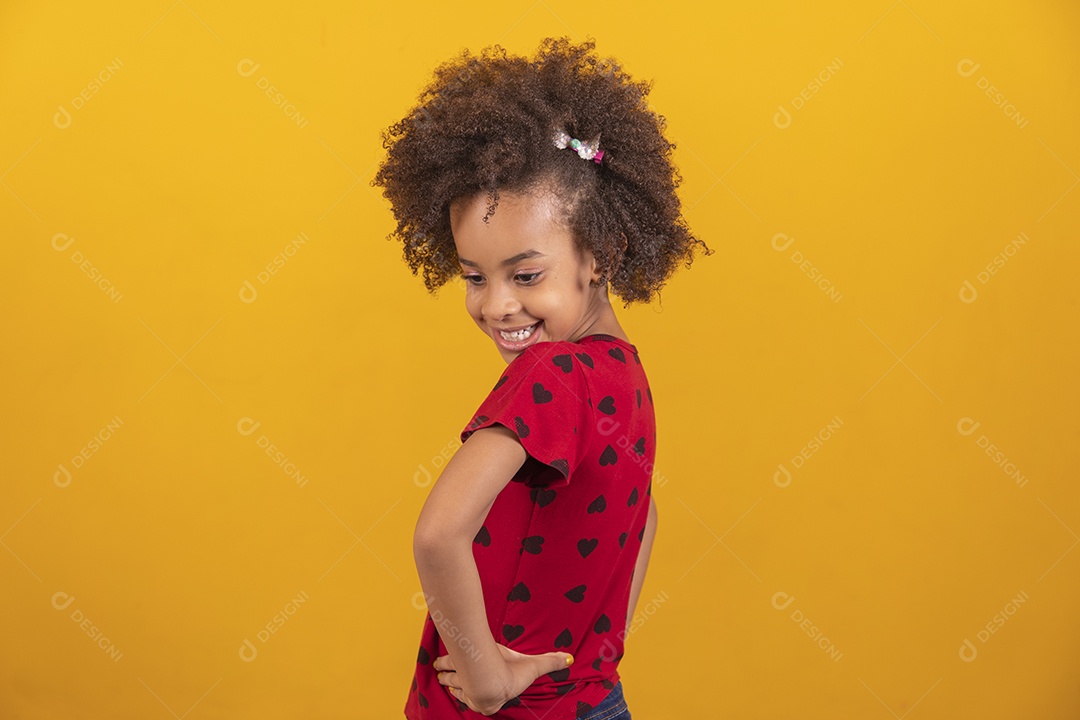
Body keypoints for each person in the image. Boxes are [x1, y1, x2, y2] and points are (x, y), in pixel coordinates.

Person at [373, 36, 710, 720]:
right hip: (590, 698)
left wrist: (487, 677)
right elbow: (640, 517)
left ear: (603, 252)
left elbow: (438, 534)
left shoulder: (552, 373)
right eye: (473, 276)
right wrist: (597, 657)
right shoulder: (624, 374)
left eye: (526, 275)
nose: (496, 304)